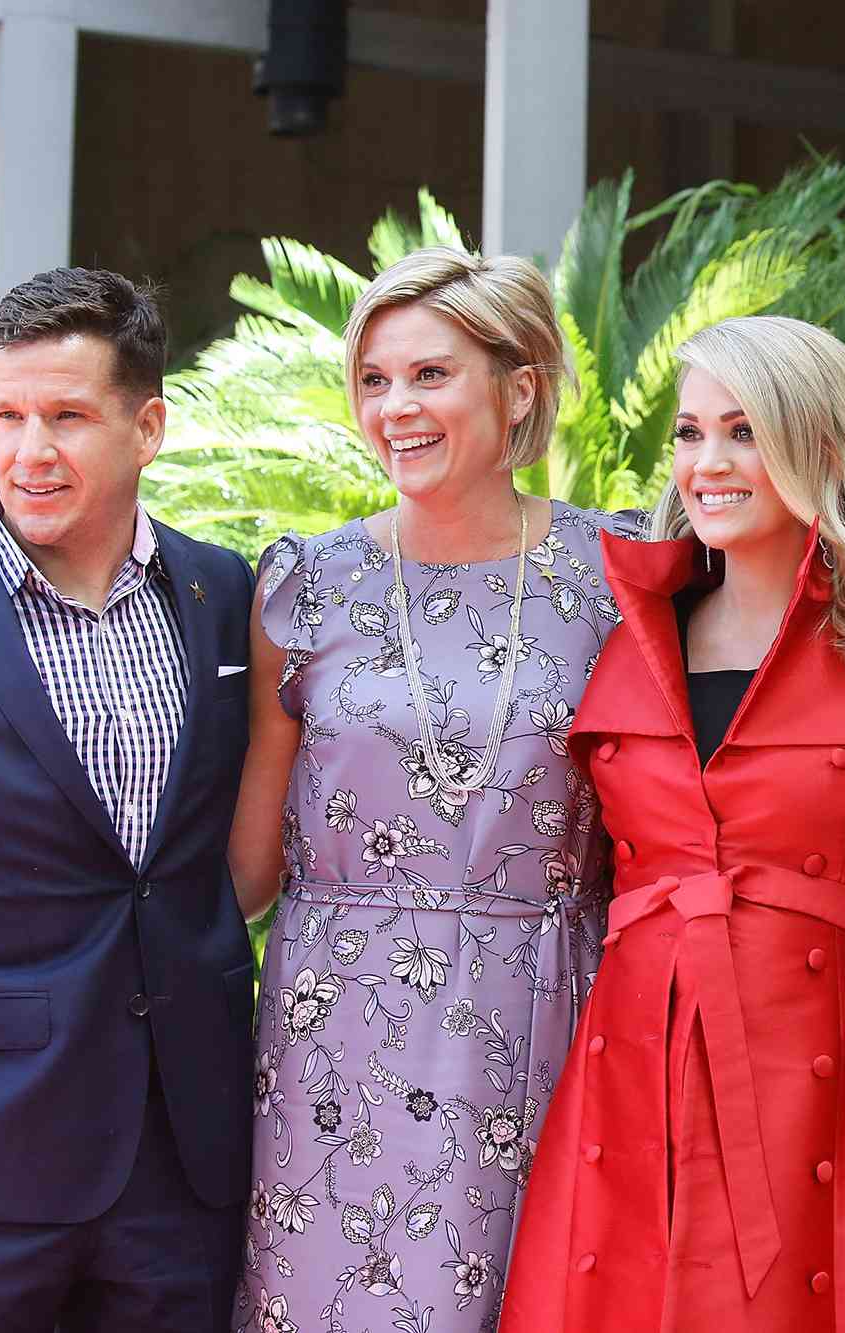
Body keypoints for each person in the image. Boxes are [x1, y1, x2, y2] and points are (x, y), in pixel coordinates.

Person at [499, 315, 845, 1332]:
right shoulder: (625, 625)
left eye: (742, 432)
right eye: (687, 434)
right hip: (635, 1051)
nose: (706, 464)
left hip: (836, 1062)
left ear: (818, 444)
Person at [228, 249, 633, 1333]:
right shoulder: (302, 584)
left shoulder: (623, 574)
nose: (394, 407)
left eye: (429, 375)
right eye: (373, 378)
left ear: (518, 388)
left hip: (550, 1014)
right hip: (332, 1035)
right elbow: (246, 869)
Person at [0, 268, 255, 1329]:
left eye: (68, 416)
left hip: (185, 1169)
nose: (29, 451)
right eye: (7, 414)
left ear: (148, 425)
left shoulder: (229, 600)